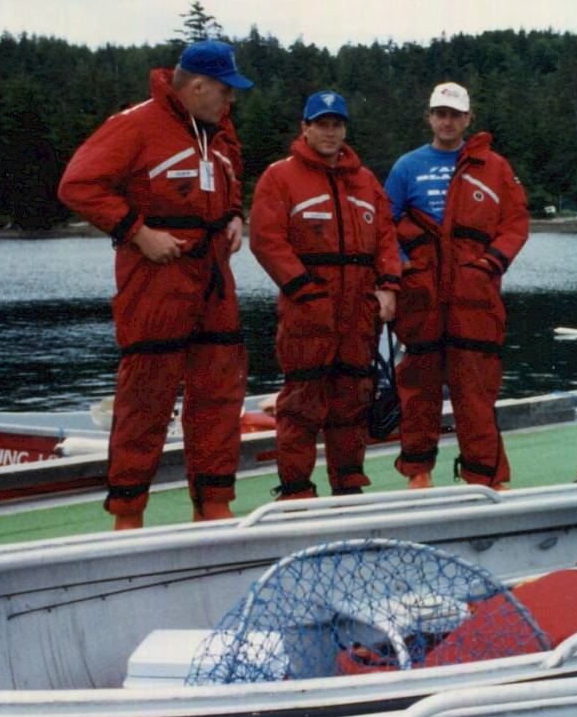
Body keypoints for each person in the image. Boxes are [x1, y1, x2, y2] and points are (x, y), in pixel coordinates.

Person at [58, 40, 252, 529]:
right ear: (198, 86)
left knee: (219, 393)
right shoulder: (135, 125)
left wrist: (234, 216)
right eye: (225, 90)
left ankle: (213, 505)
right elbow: (78, 185)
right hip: (155, 279)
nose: (231, 100)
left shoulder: (219, 131)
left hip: (213, 279)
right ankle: (128, 514)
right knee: (146, 397)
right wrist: (139, 233)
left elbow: (228, 181)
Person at [249, 91, 401, 499]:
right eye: (321, 124)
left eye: (337, 124)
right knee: (301, 402)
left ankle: (348, 484)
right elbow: (266, 240)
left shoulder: (365, 180)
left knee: (353, 398)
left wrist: (388, 285)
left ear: (345, 129)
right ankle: (297, 490)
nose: (330, 132)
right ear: (305, 128)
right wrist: (303, 289)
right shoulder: (280, 177)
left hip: (359, 311)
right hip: (308, 310)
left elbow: (386, 235)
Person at [384, 82, 529, 489]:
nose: (447, 122)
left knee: (476, 389)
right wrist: (402, 267)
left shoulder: (495, 167)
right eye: (440, 114)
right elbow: (383, 225)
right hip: (421, 295)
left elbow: (516, 223)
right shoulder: (406, 167)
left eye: (455, 115)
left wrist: (489, 264)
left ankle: (486, 477)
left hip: (473, 295)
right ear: (429, 117)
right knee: (418, 388)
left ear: (468, 119)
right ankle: (418, 472)